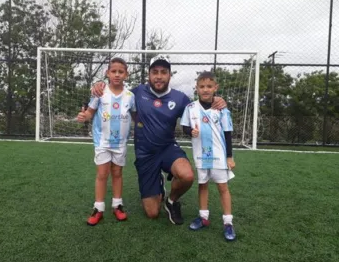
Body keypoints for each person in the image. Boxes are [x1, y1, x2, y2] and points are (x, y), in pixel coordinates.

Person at [92, 55, 226, 225]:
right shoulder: (136, 93)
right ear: (148, 74)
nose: (159, 76)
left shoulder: (180, 98)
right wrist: (99, 85)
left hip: (168, 148)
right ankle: (158, 183)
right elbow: (115, 91)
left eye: (164, 72)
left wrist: (215, 99)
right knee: (152, 212)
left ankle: (171, 202)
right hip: (146, 154)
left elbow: (199, 108)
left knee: (186, 176)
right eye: (155, 72)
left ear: (170, 75)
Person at [77, 57, 136, 226]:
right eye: (113, 71)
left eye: (121, 71)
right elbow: (89, 112)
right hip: (102, 142)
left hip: (120, 144)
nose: (117, 75)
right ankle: (98, 208)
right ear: (107, 73)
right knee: (102, 174)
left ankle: (117, 205)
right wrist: (84, 116)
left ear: (126, 74)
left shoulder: (130, 96)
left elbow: (135, 116)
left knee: (117, 174)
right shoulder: (100, 93)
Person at [180, 70, 236, 241]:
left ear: (215, 88)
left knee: (222, 188)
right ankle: (203, 218)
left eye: (209, 86)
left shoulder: (222, 109)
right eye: (202, 86)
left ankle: (228, 222)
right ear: (196, 88)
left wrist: (229, 156)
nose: (205, 89)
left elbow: (227, 133)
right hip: (201, 155)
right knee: (202, 185)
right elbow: (184, 128)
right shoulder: (190, 108)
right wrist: (191, 131)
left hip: (219, 156)